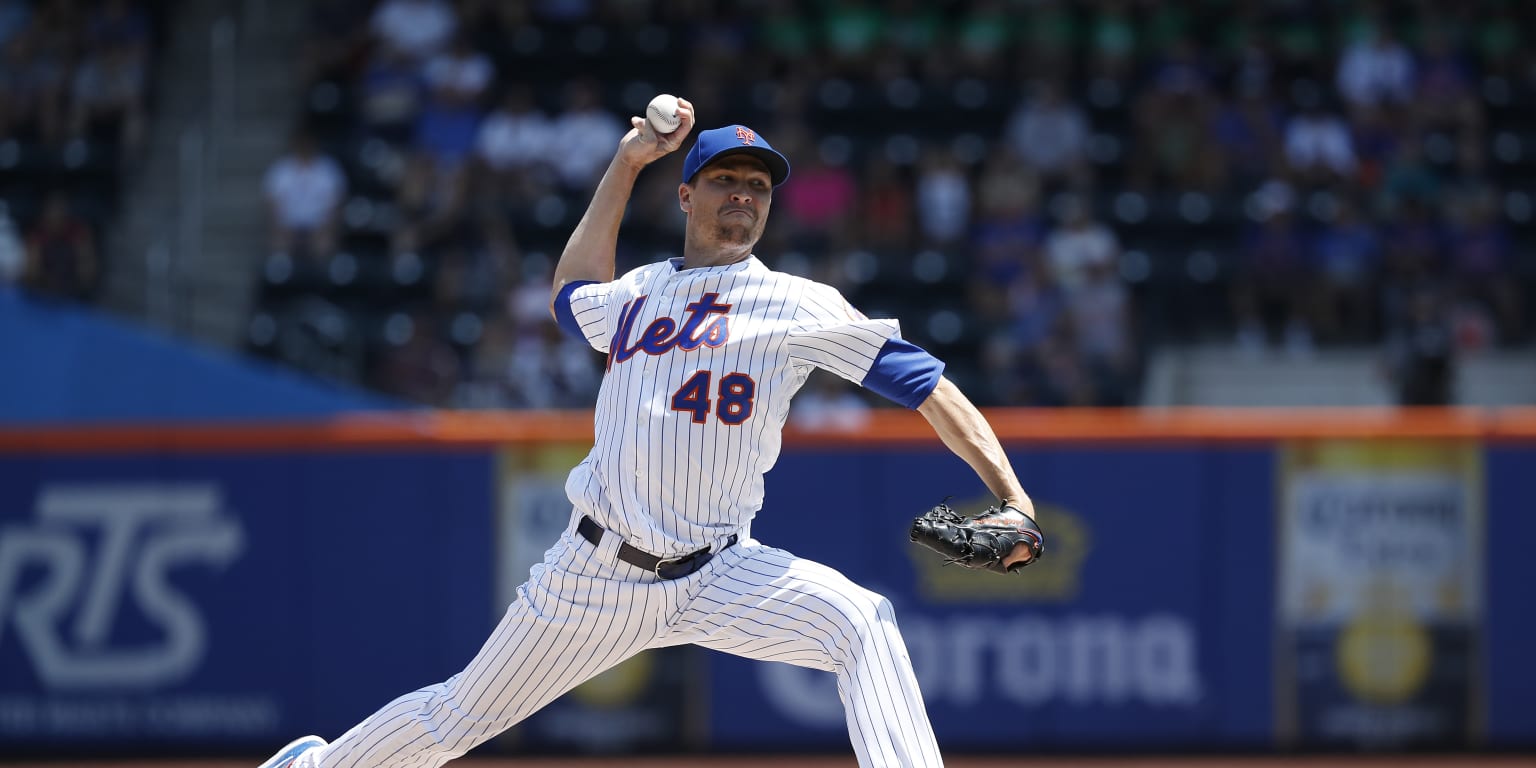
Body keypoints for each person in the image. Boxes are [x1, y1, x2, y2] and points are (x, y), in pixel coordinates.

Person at [259, 99, 1041, 768]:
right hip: (595, 575)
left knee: (862, 623)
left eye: (759, 186)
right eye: (727, 181)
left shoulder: (800, 305)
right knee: (457, 718)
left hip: (722, 571)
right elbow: (570, 298)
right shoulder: (637, 296)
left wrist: (1012, 496)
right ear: (687, 195)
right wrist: (628, 162)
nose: (745, 196)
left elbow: (928, 385)